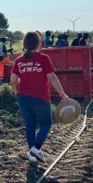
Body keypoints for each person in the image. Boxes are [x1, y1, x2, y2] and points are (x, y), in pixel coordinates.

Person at [10, 32, 69, 163]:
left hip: (23, 98)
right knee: (46, 123)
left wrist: (16, 92)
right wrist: (62, 94)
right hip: (40, 97)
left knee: (30, 124)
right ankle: (35, 148)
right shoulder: (43, 58)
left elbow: (12, 80)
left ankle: (32, 155)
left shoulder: (19, 60)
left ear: (25, 44)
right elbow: (52, 77)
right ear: (39, 43)